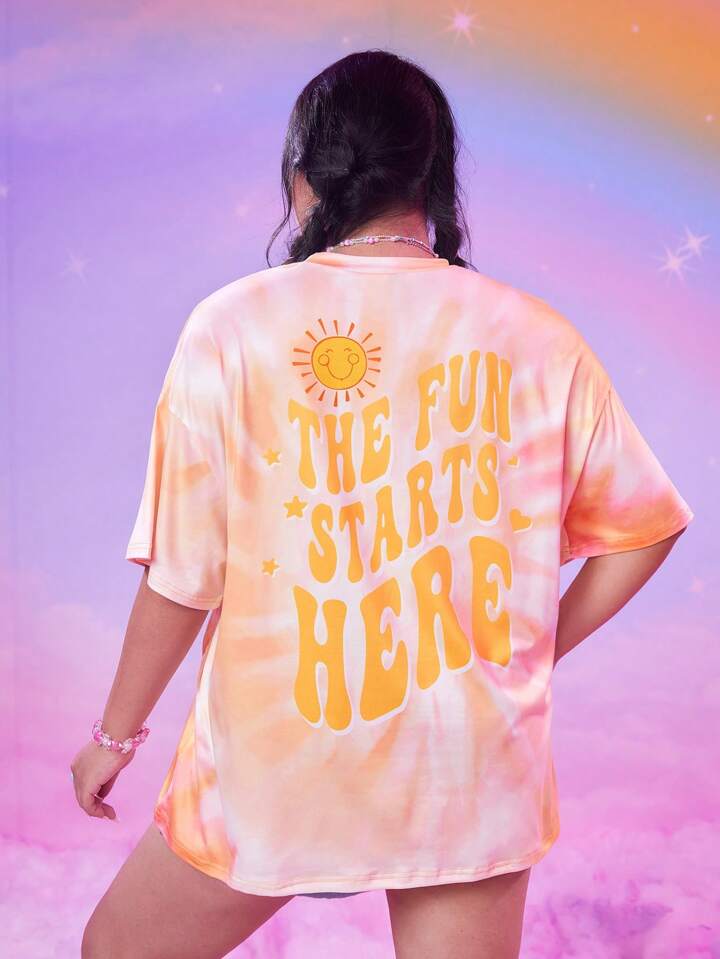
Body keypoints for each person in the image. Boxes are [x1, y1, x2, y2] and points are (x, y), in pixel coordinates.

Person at [72, 49, 694, 959]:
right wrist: (531, 649)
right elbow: (647, 526)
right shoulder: (538, 336)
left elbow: (183, 574)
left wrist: (113, 737)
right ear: (432, 176)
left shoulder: (231, 327)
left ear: (304, 178)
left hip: (279, 768)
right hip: (466, 763)